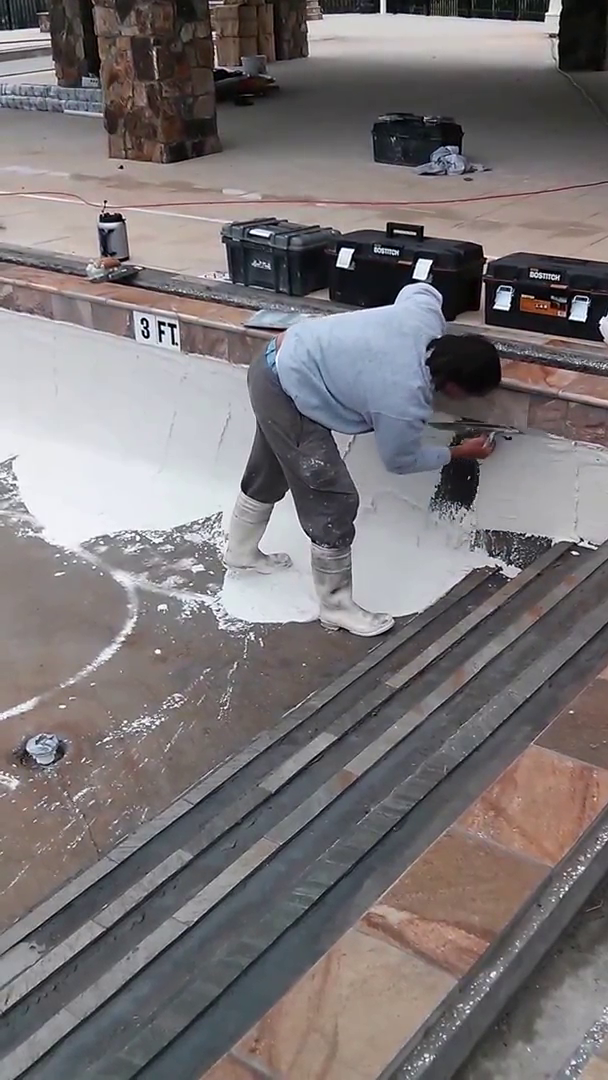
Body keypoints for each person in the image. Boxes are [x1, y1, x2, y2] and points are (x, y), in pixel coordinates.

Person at [225, 282, 501, 638]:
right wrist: (460, 452)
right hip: (286, 388)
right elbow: (400, 460)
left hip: (273, 364)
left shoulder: (423, 320)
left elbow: (422, 290)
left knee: (272, 467)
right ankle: (336, 607)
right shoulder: (404, 396)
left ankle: (241, 552)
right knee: (332, 496)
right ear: (454, 387)